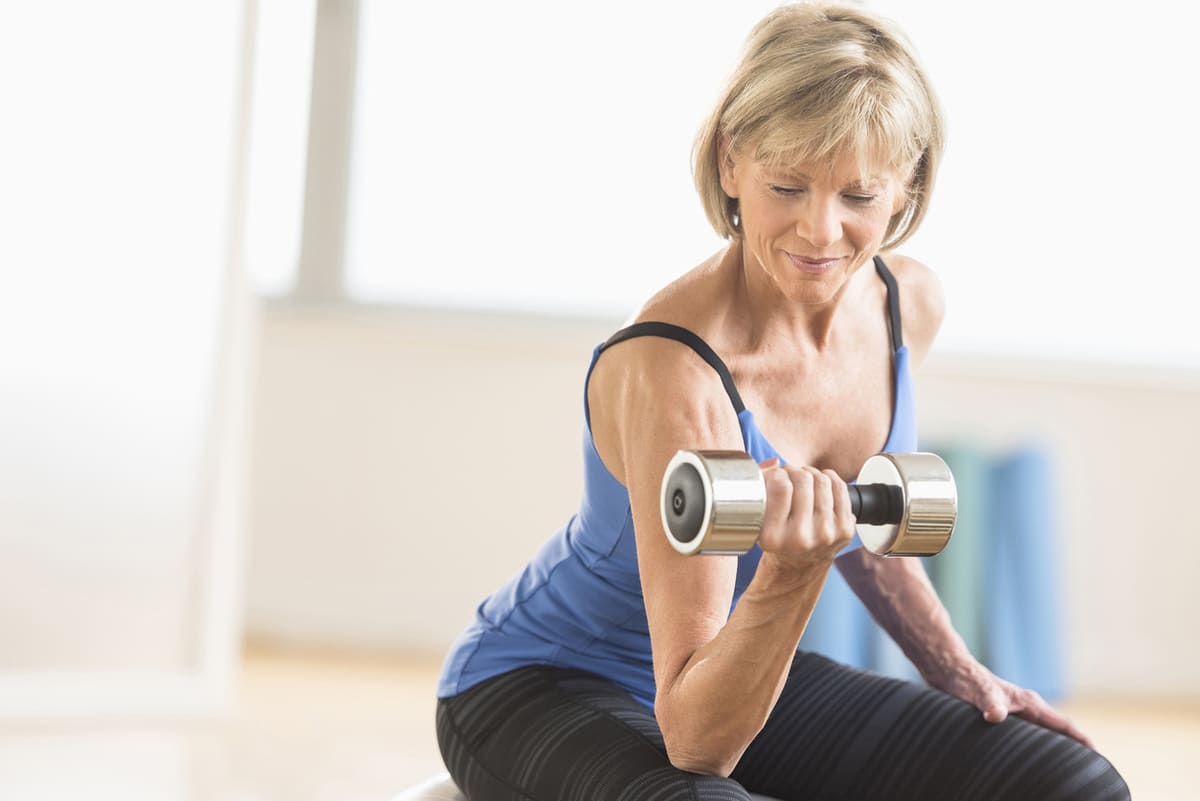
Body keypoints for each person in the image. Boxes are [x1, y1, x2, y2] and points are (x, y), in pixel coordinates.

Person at [434, 4, 1129, 800]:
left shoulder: (910, 304)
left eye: (859, 196)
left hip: (739, 660)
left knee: (1069, 782)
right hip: (543, 685)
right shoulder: (672, 369)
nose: (820, 229)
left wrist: (962, 670)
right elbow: (697, 741)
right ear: (732, 161)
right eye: (787, 185)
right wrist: (793, 572)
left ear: (908, 186)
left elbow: (864, 519)